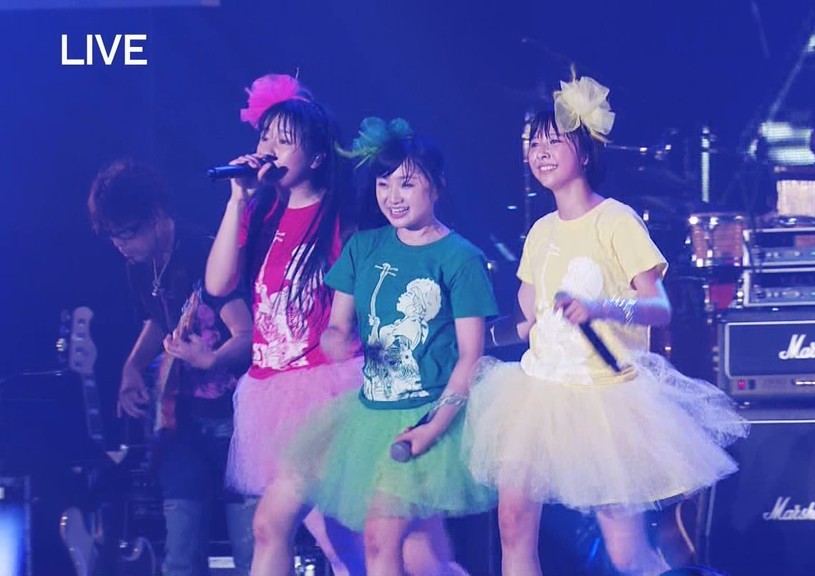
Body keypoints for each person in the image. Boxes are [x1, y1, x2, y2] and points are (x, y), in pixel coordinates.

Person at [463, 72, 750, 576]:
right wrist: (490, 335)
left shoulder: (616, 220)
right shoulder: (540, 230)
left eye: (554, 142)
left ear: (585, 152)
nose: (540, 153)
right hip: (536, 395)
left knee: (625, 552)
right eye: (534, 144)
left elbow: (659, 308)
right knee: (512, 524)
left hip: (603, 401)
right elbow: (531, 317)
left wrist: (600, 308)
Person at [281, 119, 496, 576]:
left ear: (437, 186)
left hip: (431, 417)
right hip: (370, 418)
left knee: (381, 540)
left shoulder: (461, 259)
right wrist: (340, 344)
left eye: (407, 183)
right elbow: (336, 328)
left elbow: (470, 358)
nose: (393, 196)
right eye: (383, 184)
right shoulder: (363, 248)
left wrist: (431, 429)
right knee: (423, 555)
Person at [205, 74, 365, 576]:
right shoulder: (259, 213)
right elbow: (217, 283)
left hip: (323, 393)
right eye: (264, 137)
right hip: (269, 392)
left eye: (284, 140)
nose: (268, 149)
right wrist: (237, 199)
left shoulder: (339, 221)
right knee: (340, 545)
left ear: (316, 157)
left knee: (269, 525)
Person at [88, 158, 255, 576]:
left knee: (250, 555)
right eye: (112, 236)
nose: (120, 245)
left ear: (156, 216)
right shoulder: (139, 267)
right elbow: (159, 320)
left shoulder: (202, 253)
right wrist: (131, 367)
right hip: (181, 424)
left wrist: (213, 359)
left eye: (127, 233)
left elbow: (246, 334)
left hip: (236, 423)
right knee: (180, 556)